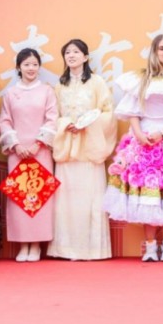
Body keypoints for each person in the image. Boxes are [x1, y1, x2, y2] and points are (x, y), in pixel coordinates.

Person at [104, 35, 163, 262]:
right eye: (162, 48)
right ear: (154, 52)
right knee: (149, 195)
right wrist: (138, 134)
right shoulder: (141, 78)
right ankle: (151, 248)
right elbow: (133, 112)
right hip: (143, 140)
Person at [48, 39, 117, 261]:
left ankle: (92, 249)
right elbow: (53, 116)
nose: (71, 55)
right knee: (66, 202)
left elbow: (108, 114)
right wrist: (64, 124)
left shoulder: (97, 83)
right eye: (67, 52)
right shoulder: (60, 85)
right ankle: (65, 249)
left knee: (89, 199)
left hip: (90, 149)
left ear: (86, 57)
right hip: (67, 149)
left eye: (76, 52)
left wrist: (87, 124)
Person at [0, 48, 58, 262]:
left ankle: (37, 245)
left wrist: (38, 143)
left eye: (34, 64)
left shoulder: (47, 91)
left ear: (39, 67)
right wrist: (16, 145)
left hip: (40, 152)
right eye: (26, 64)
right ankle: (23, 245)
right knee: (20, 199)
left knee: (40, 198)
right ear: (18, 67)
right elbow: (5, 121)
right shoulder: (10, 94)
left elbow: (52, 119)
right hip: (18, 153)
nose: (31, 68)